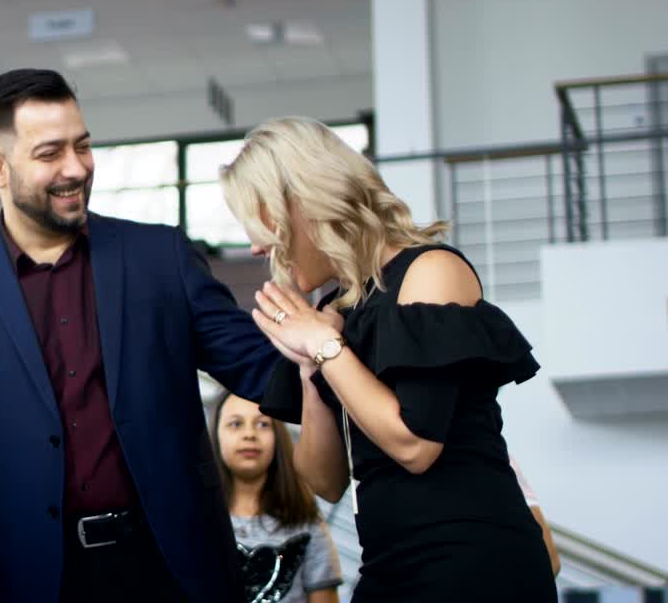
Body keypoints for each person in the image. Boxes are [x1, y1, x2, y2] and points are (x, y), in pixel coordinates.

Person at [0, 69, 288, 603]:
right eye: (50, 152)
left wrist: (342, 355)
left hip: (172, 571)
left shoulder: (161, 258)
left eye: (83, 146)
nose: (75, 168)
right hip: (30, 582)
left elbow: (262, 371)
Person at [218, 115, 557, 602]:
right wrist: (310, 368)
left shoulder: (432, 271)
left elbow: (416, 446)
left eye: (261, 224)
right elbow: (325, 481)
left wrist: (327, 348)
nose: (255, 246)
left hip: (472, 562)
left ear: (304, 205)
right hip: (391, 565)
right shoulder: (334, 315)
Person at [211, 392, 342, 603]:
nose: (249, 434)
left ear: (278, 437)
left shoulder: (308, 524)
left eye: (262, 424)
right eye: (236, 424)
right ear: (215, 435)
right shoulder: (192, 518)